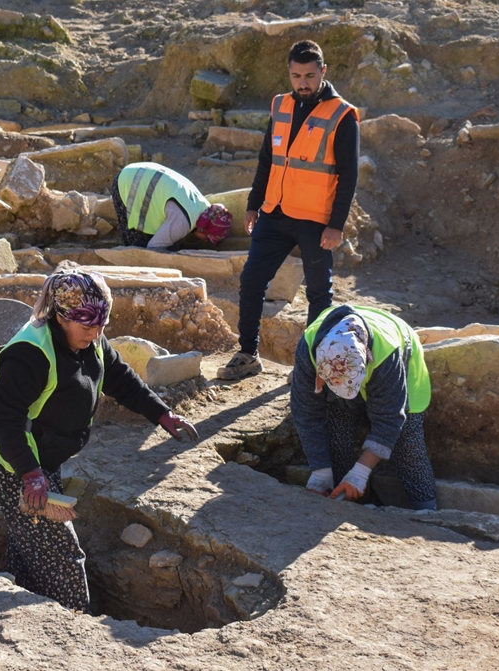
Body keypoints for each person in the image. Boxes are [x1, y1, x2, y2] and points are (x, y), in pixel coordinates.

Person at [0, 270, 198, 612]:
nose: (95, 333)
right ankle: (73, 620)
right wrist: (30, 472)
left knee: (31, 538)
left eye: (101, 326)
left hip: (42, 457)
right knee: (62, 553)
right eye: (87, 327)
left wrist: (161, 413)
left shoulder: (91, 336)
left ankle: (23, 597)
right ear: (62, 317)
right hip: (12, 461)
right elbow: (3, 420)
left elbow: (120, 378)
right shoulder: (30, 354)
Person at [218, 39, 361, 380]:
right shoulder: (281, 105)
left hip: (315, 220)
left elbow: (349, 174)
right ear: (289, 73)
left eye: (310, 75)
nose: (303, 83)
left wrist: (336, 225)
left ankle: (313, 363)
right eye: (296, 75)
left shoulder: (342, 115)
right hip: (275, 213)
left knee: (318, 293)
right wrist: (253, 205)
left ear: (323, 72)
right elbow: (268, 159)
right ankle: (247, 355)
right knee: (251, 281)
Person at [290, 304, 438, 511]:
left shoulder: (386, 355)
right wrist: (320, 471)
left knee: (407, 444)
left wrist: (360, 472)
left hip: (399, 354)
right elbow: (306, 412)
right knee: (338, 437)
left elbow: (390, 419)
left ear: (366, 359)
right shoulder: (309, 350)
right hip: (348, 366)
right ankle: (357, 507)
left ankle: (427, 511)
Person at [111, 162, 232, 251]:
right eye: (207, 237)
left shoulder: (204, 207)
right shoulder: (183, 222)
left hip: (140, 170)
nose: (204, 241)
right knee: (137, 247)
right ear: (204, 228)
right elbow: (153, 249)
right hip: (128, 182)